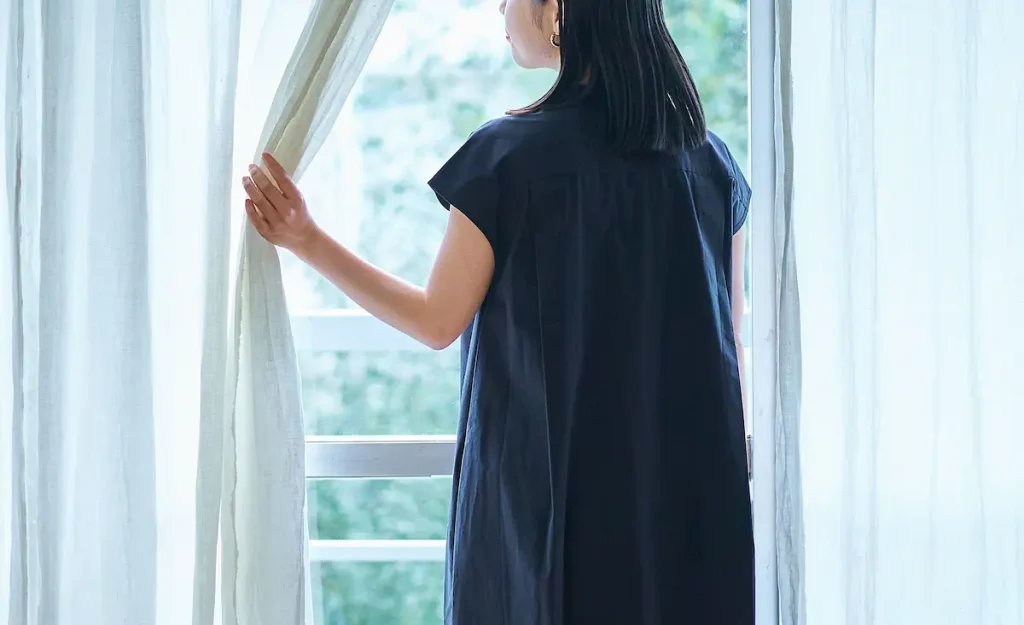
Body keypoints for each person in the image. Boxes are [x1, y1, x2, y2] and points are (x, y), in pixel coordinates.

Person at [242, 0, 753, 622]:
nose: (501, 8)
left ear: (558, 11)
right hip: (687, 506)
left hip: (543, 513)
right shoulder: (709, 162)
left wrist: (307, 240)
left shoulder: (509, 158)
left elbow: (436, 320)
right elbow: (728, 342)